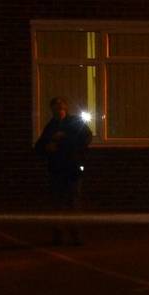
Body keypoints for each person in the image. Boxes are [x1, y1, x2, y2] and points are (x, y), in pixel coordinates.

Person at [33, 96, 92, 245]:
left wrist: (64, 140)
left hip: (72, 168)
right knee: (58, 203)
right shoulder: (51, 126)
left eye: (60, 107)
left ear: (65, 108)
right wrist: (47, 147)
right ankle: (58, 235)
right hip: (57, 169)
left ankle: (75, 235)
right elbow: (39, 147)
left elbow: (86, 138)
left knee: (73, 202)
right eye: (55, 108)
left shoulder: (74, 122)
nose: (58, 111)